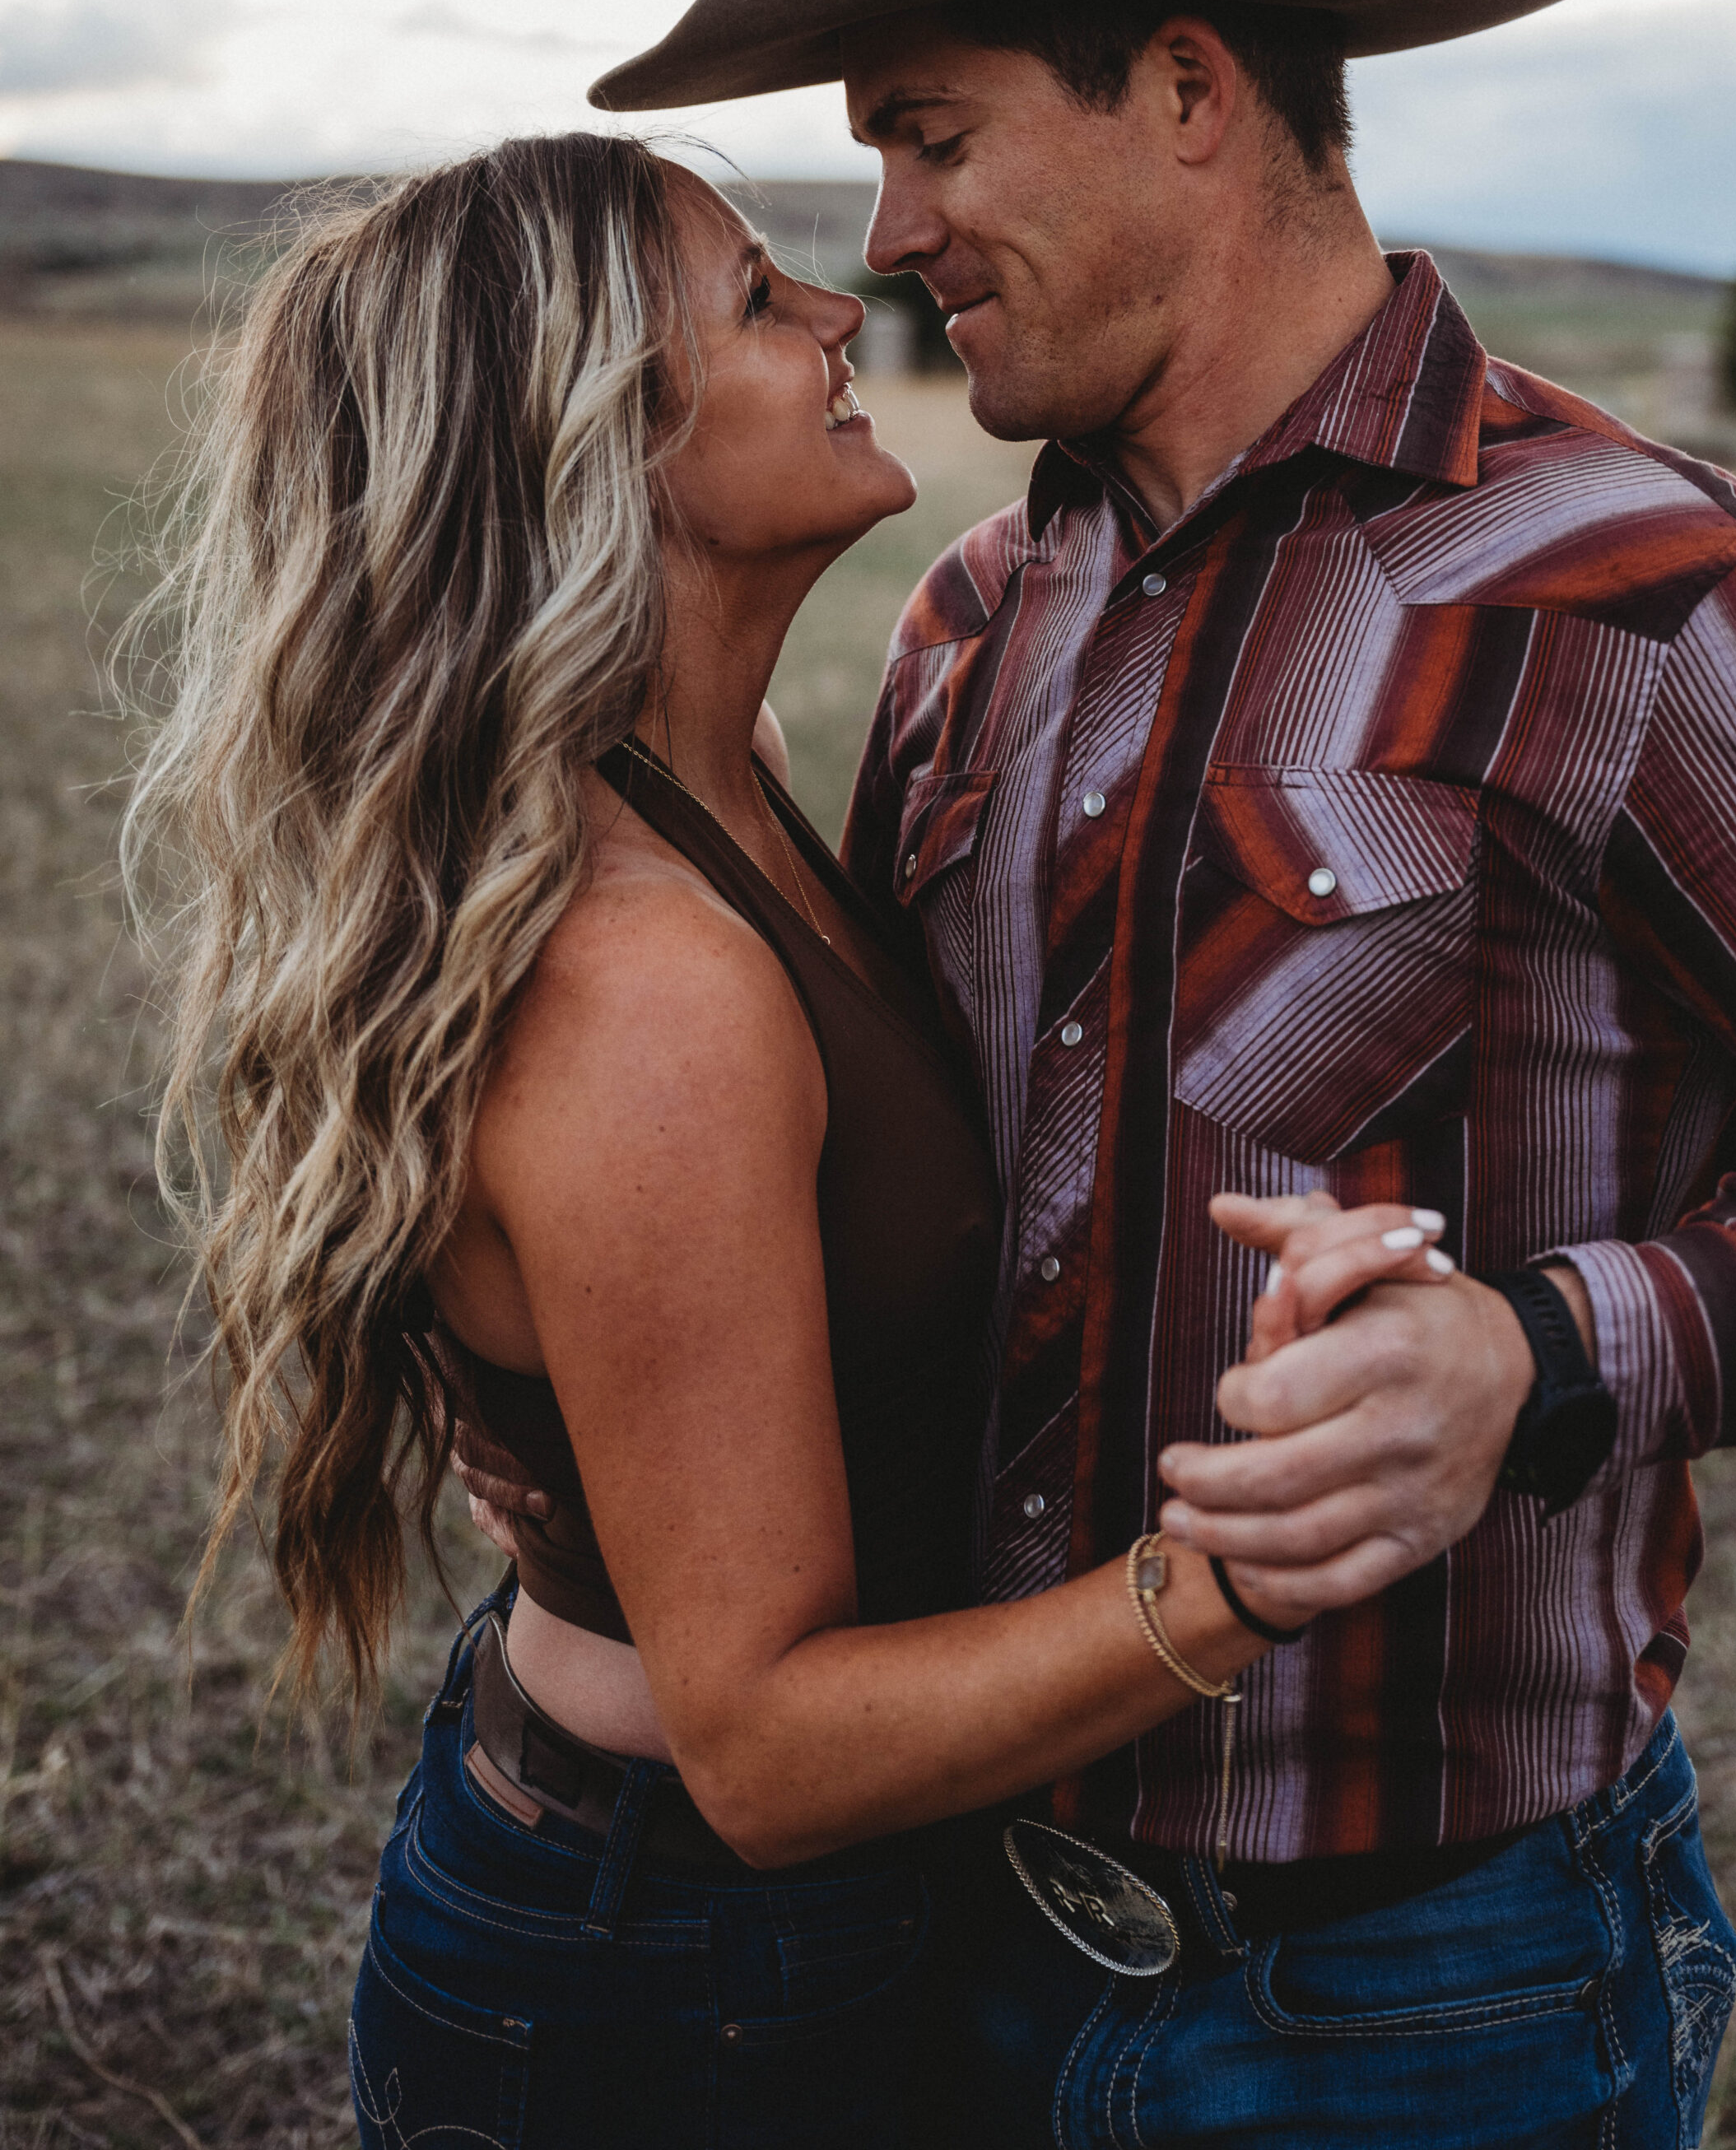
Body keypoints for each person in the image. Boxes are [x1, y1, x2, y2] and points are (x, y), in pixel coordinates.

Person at [582, 0, 1736, 2147]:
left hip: (1430, 1998)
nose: (885, 239)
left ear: (1188, 90)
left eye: (933, 135)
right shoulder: (981, 611)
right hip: (940, 1932)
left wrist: (1548, 1355)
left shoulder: (1633, 578)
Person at [123, 133, 1420, 2149]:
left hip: (738, 1924)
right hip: (679, 1973)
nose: (845, 311)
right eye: (754, 299)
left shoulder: (715, 803)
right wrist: (1247, 1573)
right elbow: (765, 1747)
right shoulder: (651, 986)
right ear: (588, 448)